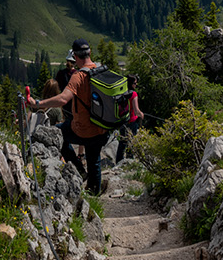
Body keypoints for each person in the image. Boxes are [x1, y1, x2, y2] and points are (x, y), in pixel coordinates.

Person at [24, 39, 138, 196]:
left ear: (76, 56)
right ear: (89, 53)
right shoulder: (101, 70)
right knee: (94, 161)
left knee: (57, 134)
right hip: (102, 128)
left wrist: (37, 103)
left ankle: (78, 168)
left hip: (82, 129)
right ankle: (93, 195)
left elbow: (63, 99)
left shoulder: (78, 77)